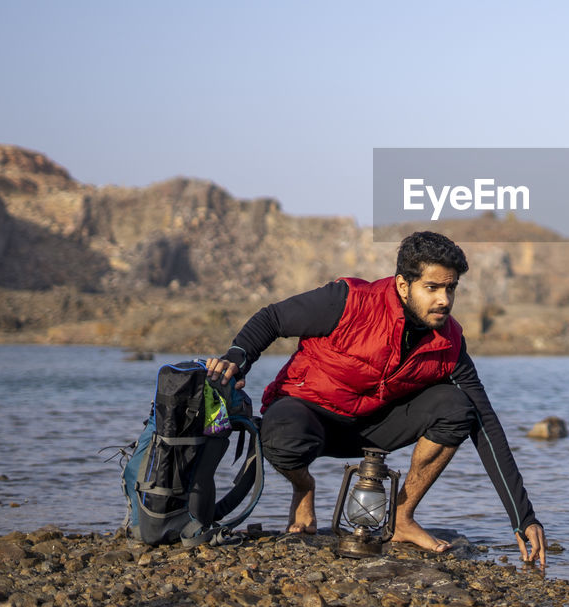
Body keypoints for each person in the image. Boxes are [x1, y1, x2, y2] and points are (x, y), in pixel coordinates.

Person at [205, 231, 547, 568]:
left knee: (458, 407)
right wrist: (237, 357)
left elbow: (486, 425)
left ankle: (401, 517)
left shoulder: (450, 343)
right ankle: (304, 487)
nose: (445, 299)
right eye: (433, 288)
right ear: (403, 285)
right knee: (280, 433)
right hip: (309, 416)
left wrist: (523, 516)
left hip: (374, 428)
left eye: (450, 288)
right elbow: (272, 319)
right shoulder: (348, 300)